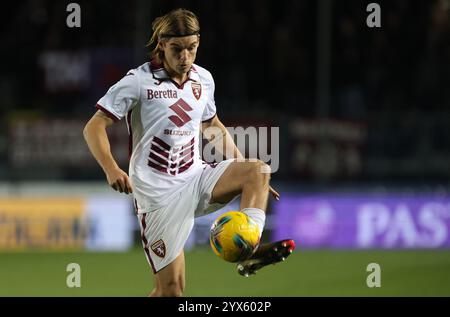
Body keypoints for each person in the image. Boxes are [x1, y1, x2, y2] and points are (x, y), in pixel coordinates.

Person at [83, 8, 295, 297]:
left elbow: (212, 125)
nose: (185, 56)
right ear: (161, 45)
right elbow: (93, 127)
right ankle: (244, 252)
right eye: (177, 49)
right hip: (158, 196)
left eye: (192, 48)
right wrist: (111, 168)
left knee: (258, 170)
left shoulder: (203, 80)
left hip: (195, 178)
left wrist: (240, 167)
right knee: (170, 292)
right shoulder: (138, 81)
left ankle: (249, 247)